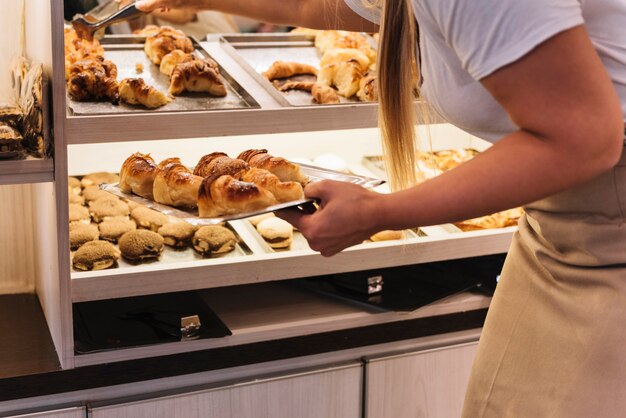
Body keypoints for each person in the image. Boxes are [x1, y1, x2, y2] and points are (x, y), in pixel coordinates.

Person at [136, 0, 626, 416]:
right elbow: (326, 5)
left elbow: (582, 141)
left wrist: (380, 212)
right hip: (562, 224)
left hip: (608, 231)